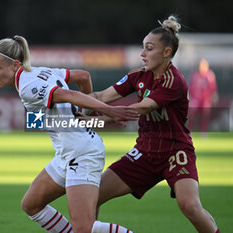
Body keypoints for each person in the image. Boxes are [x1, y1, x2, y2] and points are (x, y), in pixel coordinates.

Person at [0, 35, 139, 233]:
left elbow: (70, 94)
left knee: (83, 228)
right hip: (68, 153)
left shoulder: (27, 86)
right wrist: (90, 114)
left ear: (15, 65)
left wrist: (107, 110)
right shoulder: (40, 71)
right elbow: (83, 76)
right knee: (31, 204)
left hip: (82, 153)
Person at [89, 16, 220, 233]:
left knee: (190, 206)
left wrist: (106, 116)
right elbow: (101, 96)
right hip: (145, 153)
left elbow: (143, 108)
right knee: (91, 196)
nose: (142, 54)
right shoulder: (138, 75)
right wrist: (65, 97)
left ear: (166, 53)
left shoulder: (173, 81)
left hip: (175, 151)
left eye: (149, 48)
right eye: (143, 48)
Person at [188, 58, 218, 135]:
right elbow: (191, 87)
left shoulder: (210, 75)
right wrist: (190, 98)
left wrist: (214, 96)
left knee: (205, 115)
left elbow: (213, 87)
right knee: (192, 114)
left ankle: (203, 132)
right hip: (195, 99)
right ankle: (190, 130)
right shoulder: (195, 75)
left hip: (206, 99)